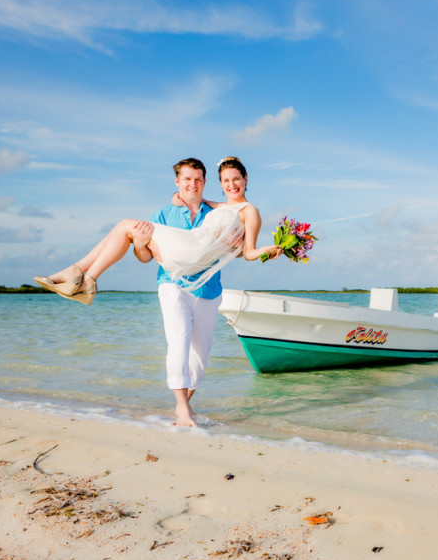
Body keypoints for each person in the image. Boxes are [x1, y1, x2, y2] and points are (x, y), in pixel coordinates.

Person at [34, 156, 281, 427]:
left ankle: (83, 278)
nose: (231, 184)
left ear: (244, 180)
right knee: (129, 228)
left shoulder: (233, 211)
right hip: (176, 273)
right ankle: (83, 275)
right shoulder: (181, 210)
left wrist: (268, 248)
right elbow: (145, 255)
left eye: (199, 180)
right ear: (179, 182)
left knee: (199, 359)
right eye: (187, 179)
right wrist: (144, 240)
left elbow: (243, 251)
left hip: (201, 274)